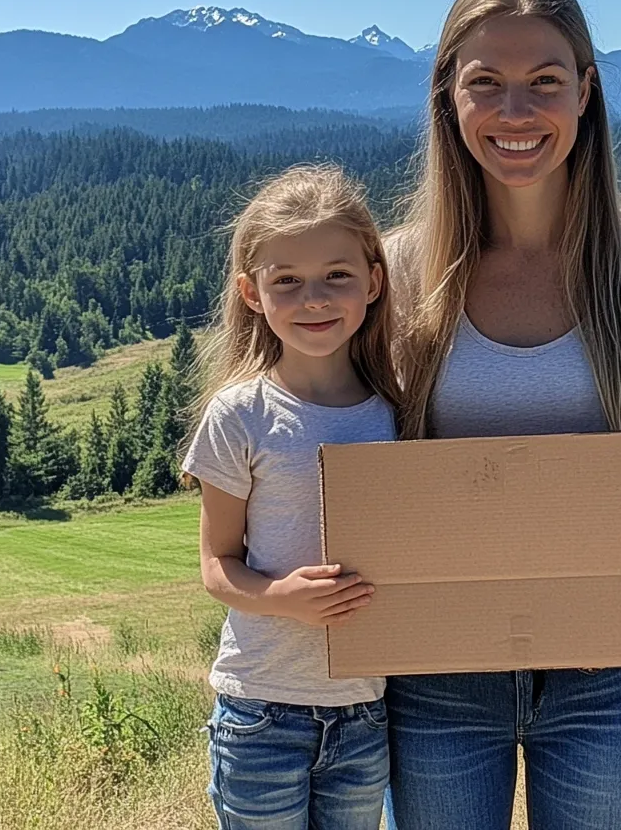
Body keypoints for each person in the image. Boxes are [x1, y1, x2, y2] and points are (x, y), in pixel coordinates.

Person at [383, 0, 621, 830]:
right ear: (448, 96)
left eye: (545, 83)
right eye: (486, 83)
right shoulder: (397, 278)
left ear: (586, 92)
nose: (517, 113)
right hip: (438, 680)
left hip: (613, 678)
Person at [183, 164, 400, 830]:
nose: (314, 299)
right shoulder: (239, 414)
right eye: (287, 282)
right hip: (260, 712)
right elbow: (217, 567)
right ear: (251, 292)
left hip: (367, 710)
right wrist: (282, 598)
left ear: (374, 279)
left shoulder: (397, 412)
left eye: (337, 275)